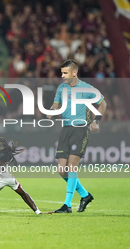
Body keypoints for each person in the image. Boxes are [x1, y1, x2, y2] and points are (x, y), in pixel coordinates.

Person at [47, 59, 107, 213]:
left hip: (81, 130)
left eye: (65, 73)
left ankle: (67, 205)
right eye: (62, 73)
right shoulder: (61, 88)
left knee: (72, 166)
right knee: (61, 170)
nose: (62, 76)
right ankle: (85, 195)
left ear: (74, 72)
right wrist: (51, 112)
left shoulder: (87, 89)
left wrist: (97, 121)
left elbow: (103, 103)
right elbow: (55, 106)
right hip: (65, 129)